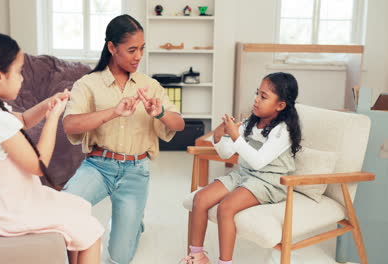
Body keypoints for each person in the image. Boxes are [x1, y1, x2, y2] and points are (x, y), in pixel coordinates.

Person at [0, 31, 104, 264]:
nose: (22, 78)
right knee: (92, 231)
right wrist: (53, 118)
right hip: (7, 212)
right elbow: (38, 165)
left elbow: (25, 120)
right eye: (18, 72)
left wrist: (49, 103)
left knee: (78, 207)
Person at [62, 14, 185, 264]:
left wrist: (159, 113)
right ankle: (127, 217)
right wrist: (113, 112)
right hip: (98, 166)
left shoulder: (149, 86)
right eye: (132, 50)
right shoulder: (88, 84)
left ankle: (132, 220)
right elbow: (70, 124)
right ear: (111, 47)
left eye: (142, 49)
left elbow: (179, 124)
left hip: (135, 172)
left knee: (120, 257)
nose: (139, 56)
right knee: (64, 210)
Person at [182, 72, 302, 264]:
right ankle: (197, 256)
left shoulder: (283, 130)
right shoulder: (250, 122)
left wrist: (236, 137)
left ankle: (225, 262)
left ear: (280, 105)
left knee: (226, 208)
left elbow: (258, 161)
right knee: (200, 198)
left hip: (269, 181)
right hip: (245, 175)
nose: (256, 100)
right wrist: (221, 135)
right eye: (257, 93)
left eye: (263, 97)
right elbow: (225, 154)